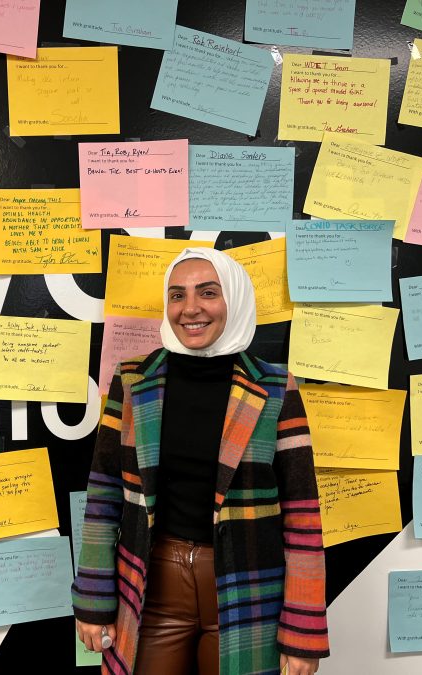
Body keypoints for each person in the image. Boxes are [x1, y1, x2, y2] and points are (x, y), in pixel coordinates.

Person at [72, 247, 329, 675]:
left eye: (208, 293)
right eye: (177, 295)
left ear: (234, 298)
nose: (190, 308)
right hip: (150, 588)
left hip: (247, 589)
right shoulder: (133, 379)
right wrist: (94, 602)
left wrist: (302, 632)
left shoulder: (276, 388)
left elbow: (303, 516)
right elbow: (103, 498)